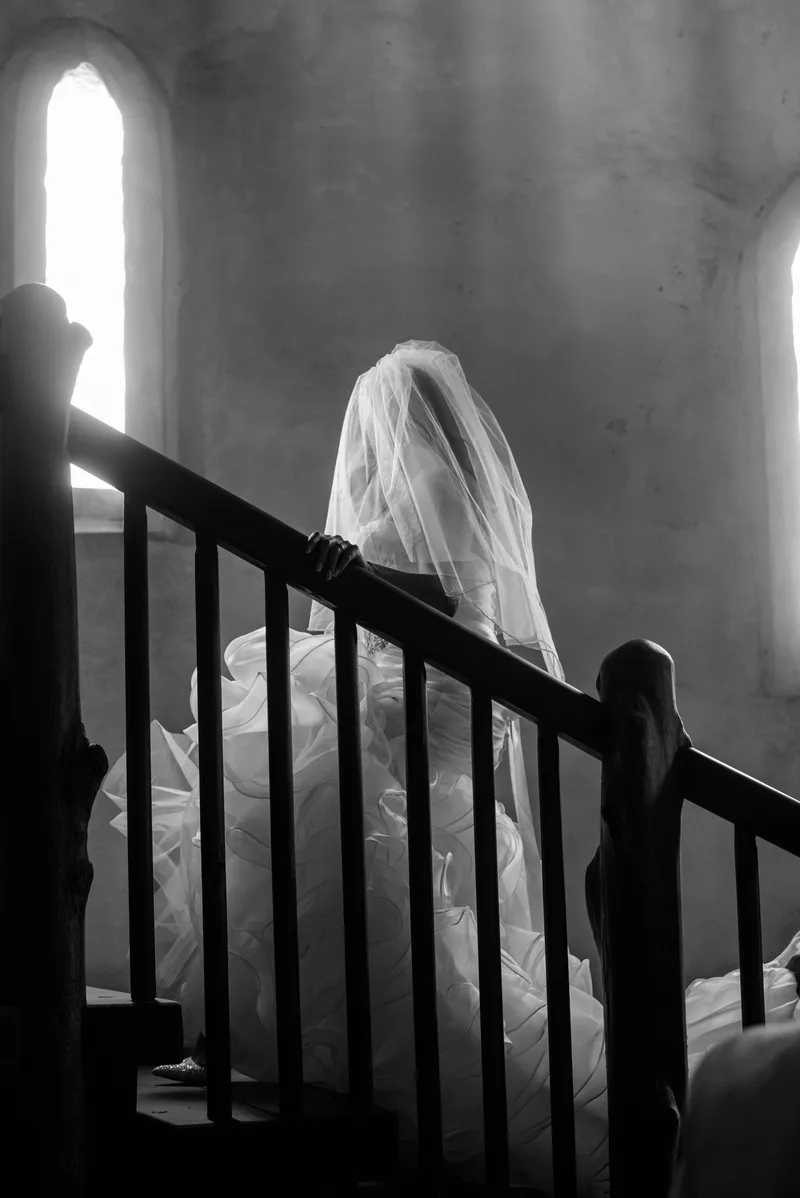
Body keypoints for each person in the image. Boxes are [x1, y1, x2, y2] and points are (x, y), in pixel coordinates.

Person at [104, 342, 800, 1196]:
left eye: (380, 437)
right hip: (412, 784)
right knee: (309, 806)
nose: (367, 459)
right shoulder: (413, 517)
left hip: (416, 783)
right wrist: (353, 582)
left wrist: (359, 583)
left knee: (346, 866)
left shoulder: (437, 501)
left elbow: (456, 618)